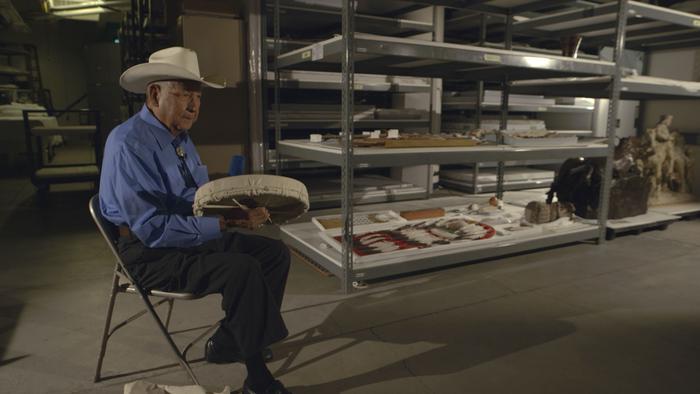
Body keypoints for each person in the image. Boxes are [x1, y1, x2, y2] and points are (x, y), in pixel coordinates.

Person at [99, 47, 292, 394]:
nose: (193, 106)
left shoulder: (180, 138)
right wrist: (223, 224)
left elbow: (194, 197)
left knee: (274, 253)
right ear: (155, 94)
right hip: (147, 252)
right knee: (242, 268)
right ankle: (257, 378)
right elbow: (152, 228)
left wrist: (235, 209)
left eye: (198, 97)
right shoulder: (128, 143)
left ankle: (231, 337)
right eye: (183, 95)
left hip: (183, 236)